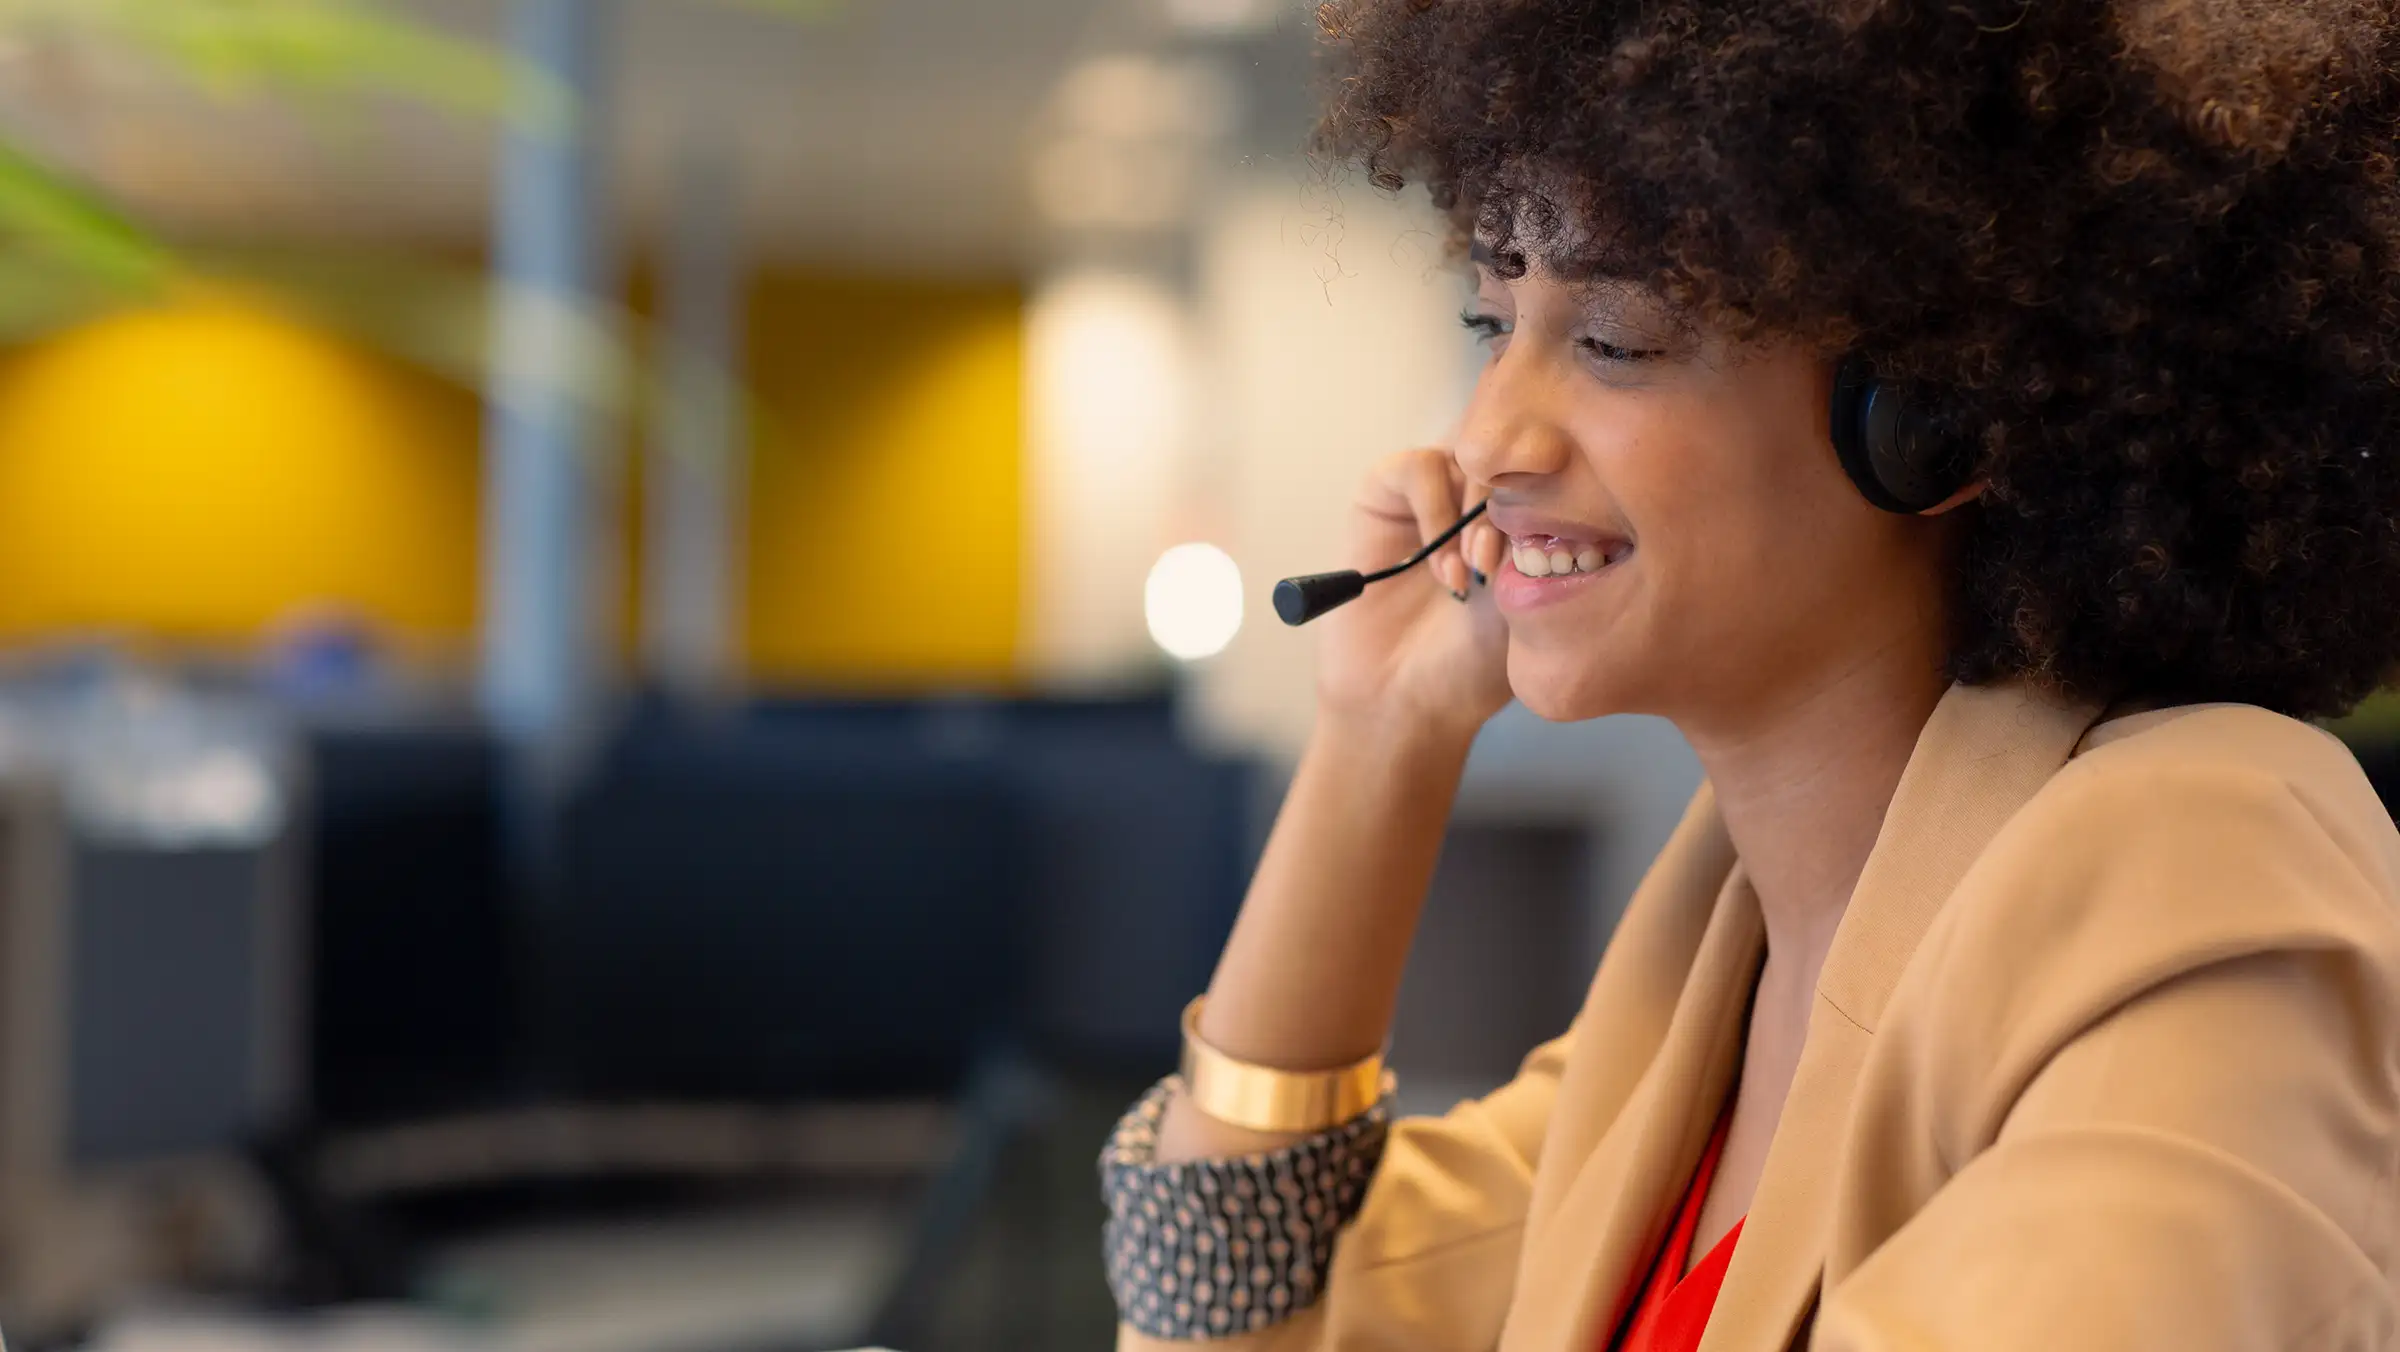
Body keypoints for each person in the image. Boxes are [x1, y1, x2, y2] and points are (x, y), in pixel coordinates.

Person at [1098, 1, 2400, 1348]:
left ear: (1936, 415)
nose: (1485, 442)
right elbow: (1229, 1310)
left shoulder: (2198, 864)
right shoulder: (1705, 968)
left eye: (1611, 341)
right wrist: (1381, 736)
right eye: (1493, 324)